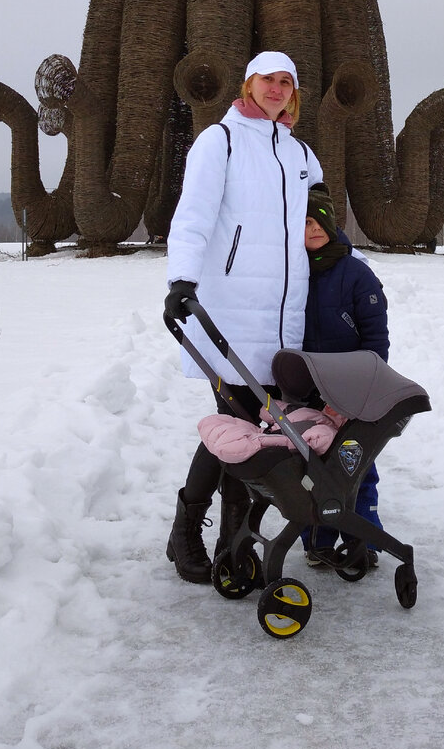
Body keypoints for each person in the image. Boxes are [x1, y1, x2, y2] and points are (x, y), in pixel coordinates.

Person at [163, 51, 323, 583]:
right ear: (248, 83)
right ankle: (187, 531)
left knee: (258, 433)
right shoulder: (220, 141)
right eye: (268, 80)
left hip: (284, 324)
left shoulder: (300, 153)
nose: (277, 89)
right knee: (235, 429)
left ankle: (235, 541)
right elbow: (193, 217)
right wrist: (182, 281)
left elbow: (318, 226)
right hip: (231, 315)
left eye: (286, 82)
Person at [301, 188, 389, 569]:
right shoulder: (290, 271)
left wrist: (364, 387)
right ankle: (318, 540)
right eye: (304, 222)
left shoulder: (356, 273)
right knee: (310, 467)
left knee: (356, 464)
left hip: (354, 390)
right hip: (306, 387)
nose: (314, 228)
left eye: (319, 220)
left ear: (332, 222)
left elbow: (376, 339)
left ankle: (363, 540)